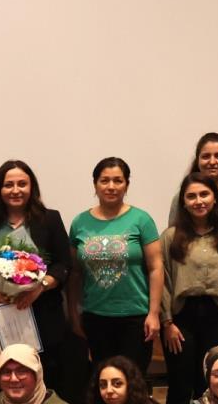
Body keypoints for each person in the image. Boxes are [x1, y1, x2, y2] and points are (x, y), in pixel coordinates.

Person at [0, 160, 78, 404]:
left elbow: (63, 264)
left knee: (43, 379)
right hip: (0, 316)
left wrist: (40, 288)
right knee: (7, 377)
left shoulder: (50, 219)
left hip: (43, 314)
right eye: (8, 185)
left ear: (32, 187)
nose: (15, 190)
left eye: (22, 184)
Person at [69, 156, 163, 377]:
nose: (111, 186)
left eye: (118, 180)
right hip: (95, 316)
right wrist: (74, 315)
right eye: (104, 180)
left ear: (127, 185)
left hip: (136, 317)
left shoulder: (142, 220)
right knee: (103, 380)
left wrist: (154, 313)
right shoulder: (79, 223)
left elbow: (156, 268)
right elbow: (75, 273)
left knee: (133, 381)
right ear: (95, 184)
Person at [160, 174, 218, 404]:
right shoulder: (171, 237)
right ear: (183, 202)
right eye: (191, 196)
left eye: (204, 194)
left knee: (211, 381)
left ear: (215, 198)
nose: (198, 201)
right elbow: (163, 280)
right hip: (181, 319)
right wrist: (167, 323)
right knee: (180, 385)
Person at [168, 133, 218, 227]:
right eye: (206, 156)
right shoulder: (182, 196)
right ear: (198, 161)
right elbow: (174, 232)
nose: (212, 162)